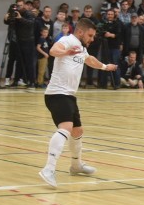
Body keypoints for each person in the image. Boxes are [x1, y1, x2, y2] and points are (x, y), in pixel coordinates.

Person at [39, 18, 118, 188]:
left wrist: (105, 67)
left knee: (77, 131)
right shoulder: (67, 40)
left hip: (69, 95)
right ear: (80, 32)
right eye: (90, 35)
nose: (92, 39)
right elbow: (53, 50)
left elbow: (89, 60)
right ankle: (48, 169)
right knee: (66, 128)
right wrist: (65, 52)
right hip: (57, 93)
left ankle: (76, 166)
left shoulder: (82, 48)